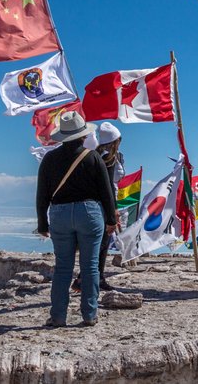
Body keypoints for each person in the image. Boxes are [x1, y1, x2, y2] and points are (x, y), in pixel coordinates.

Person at [36, 110, 117, 328]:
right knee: (90, 265)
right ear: (83, 135)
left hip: (60, 214)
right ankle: (89, 315)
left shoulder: (49, 159)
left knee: (63, 266)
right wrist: (111, 219)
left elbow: (42, 193)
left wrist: (42, 223)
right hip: (89, 214)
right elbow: (106, 192)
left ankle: (58, 316)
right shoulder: (93, 158)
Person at [75, 122, 124, 293]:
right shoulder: (107, 158)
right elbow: (108, 186)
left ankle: (90, 277)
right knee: (101, 244)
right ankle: (91, 278)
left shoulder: (93, 155)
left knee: (97, 243)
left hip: (93, 204)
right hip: (103, 206)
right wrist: (114, 210)